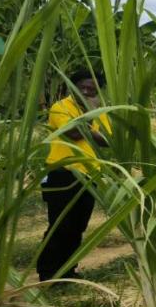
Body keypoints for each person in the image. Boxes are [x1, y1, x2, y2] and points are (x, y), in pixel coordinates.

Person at [38, 69, 110, 282]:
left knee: (78, 226)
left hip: (89, 175)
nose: (87, 92)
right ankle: (49, 274)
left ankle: (69, 271)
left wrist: (88, 122)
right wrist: (90, 115)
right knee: (60, 226)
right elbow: (73, 132)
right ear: (73, 87)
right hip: (63, 174)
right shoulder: (60, 108)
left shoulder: (101, 111)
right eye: (84, 88)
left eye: (92, 90)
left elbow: (106, 140)